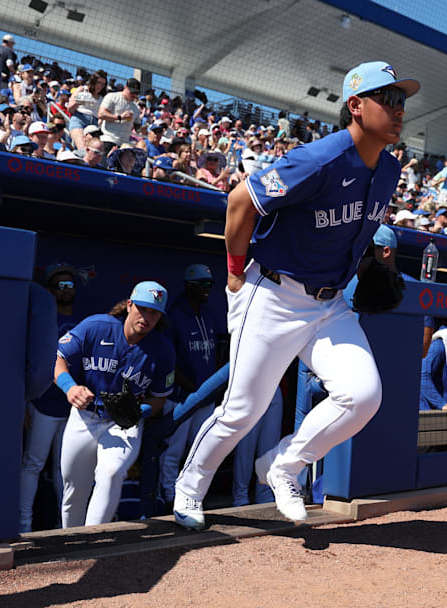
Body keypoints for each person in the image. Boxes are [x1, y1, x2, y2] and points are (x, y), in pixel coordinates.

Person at [173, 60, 419, 530]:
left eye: (402, 100)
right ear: (356, 105)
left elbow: (347, 229)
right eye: (387, 99)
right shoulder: (319, 158)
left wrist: (368, 264)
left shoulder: (388, 170)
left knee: (363, 395)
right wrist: (232, 273)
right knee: (243, 409)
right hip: (273, 294)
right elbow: (239, 201)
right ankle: (189, 487)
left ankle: (285, 465)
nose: (398, 109)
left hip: (329, 304)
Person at [56, 281, 175, 528]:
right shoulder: (97, 326)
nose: (147, 317)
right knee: (73, 490)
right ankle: (70, 540)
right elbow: (58, 359)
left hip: (123, 423)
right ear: (130, 305)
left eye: (155, 312)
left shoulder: (163, 349)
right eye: (143, 308)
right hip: (85, 416)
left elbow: (159, 399)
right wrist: (70, 387)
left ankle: (93, 540)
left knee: (110, 474)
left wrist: (139, 411)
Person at [18, 264, 80, 534]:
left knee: (63, 469)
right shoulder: (39, 320)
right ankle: (23, 524)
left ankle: (63, 525)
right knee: (33, 464)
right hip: (42, 404)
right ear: (50, 290)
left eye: (71, 285)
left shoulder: (82, 324)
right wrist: (25, 403)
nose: (67, 291)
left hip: (69, 407)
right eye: (61, 286)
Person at [158, 265, 222, 511]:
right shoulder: (174, 315)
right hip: (182, 396)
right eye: (202, 284)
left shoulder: (208, 313)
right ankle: (167, 496)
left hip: (205, 396)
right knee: (173, 450)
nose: (207, 289)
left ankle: (193, 495)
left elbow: (215, 350)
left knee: (201, 449)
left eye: (209, 284)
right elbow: (169, 360)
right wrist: (195, 388)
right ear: (188, 285)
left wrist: (210, 387)